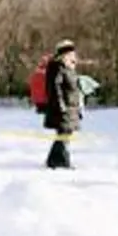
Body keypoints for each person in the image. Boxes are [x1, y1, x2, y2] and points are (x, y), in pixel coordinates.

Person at [43, 40, 82, 169]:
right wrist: (61, 106)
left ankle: (53, 160)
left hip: (71, 106)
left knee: (64, 135)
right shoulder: (57, 67)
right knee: (64, 135)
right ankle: (63, 161)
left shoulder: (69, 67)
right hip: (63, 108)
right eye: (71, 53)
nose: (73, 55)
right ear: (64, 54)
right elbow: (55, 88)